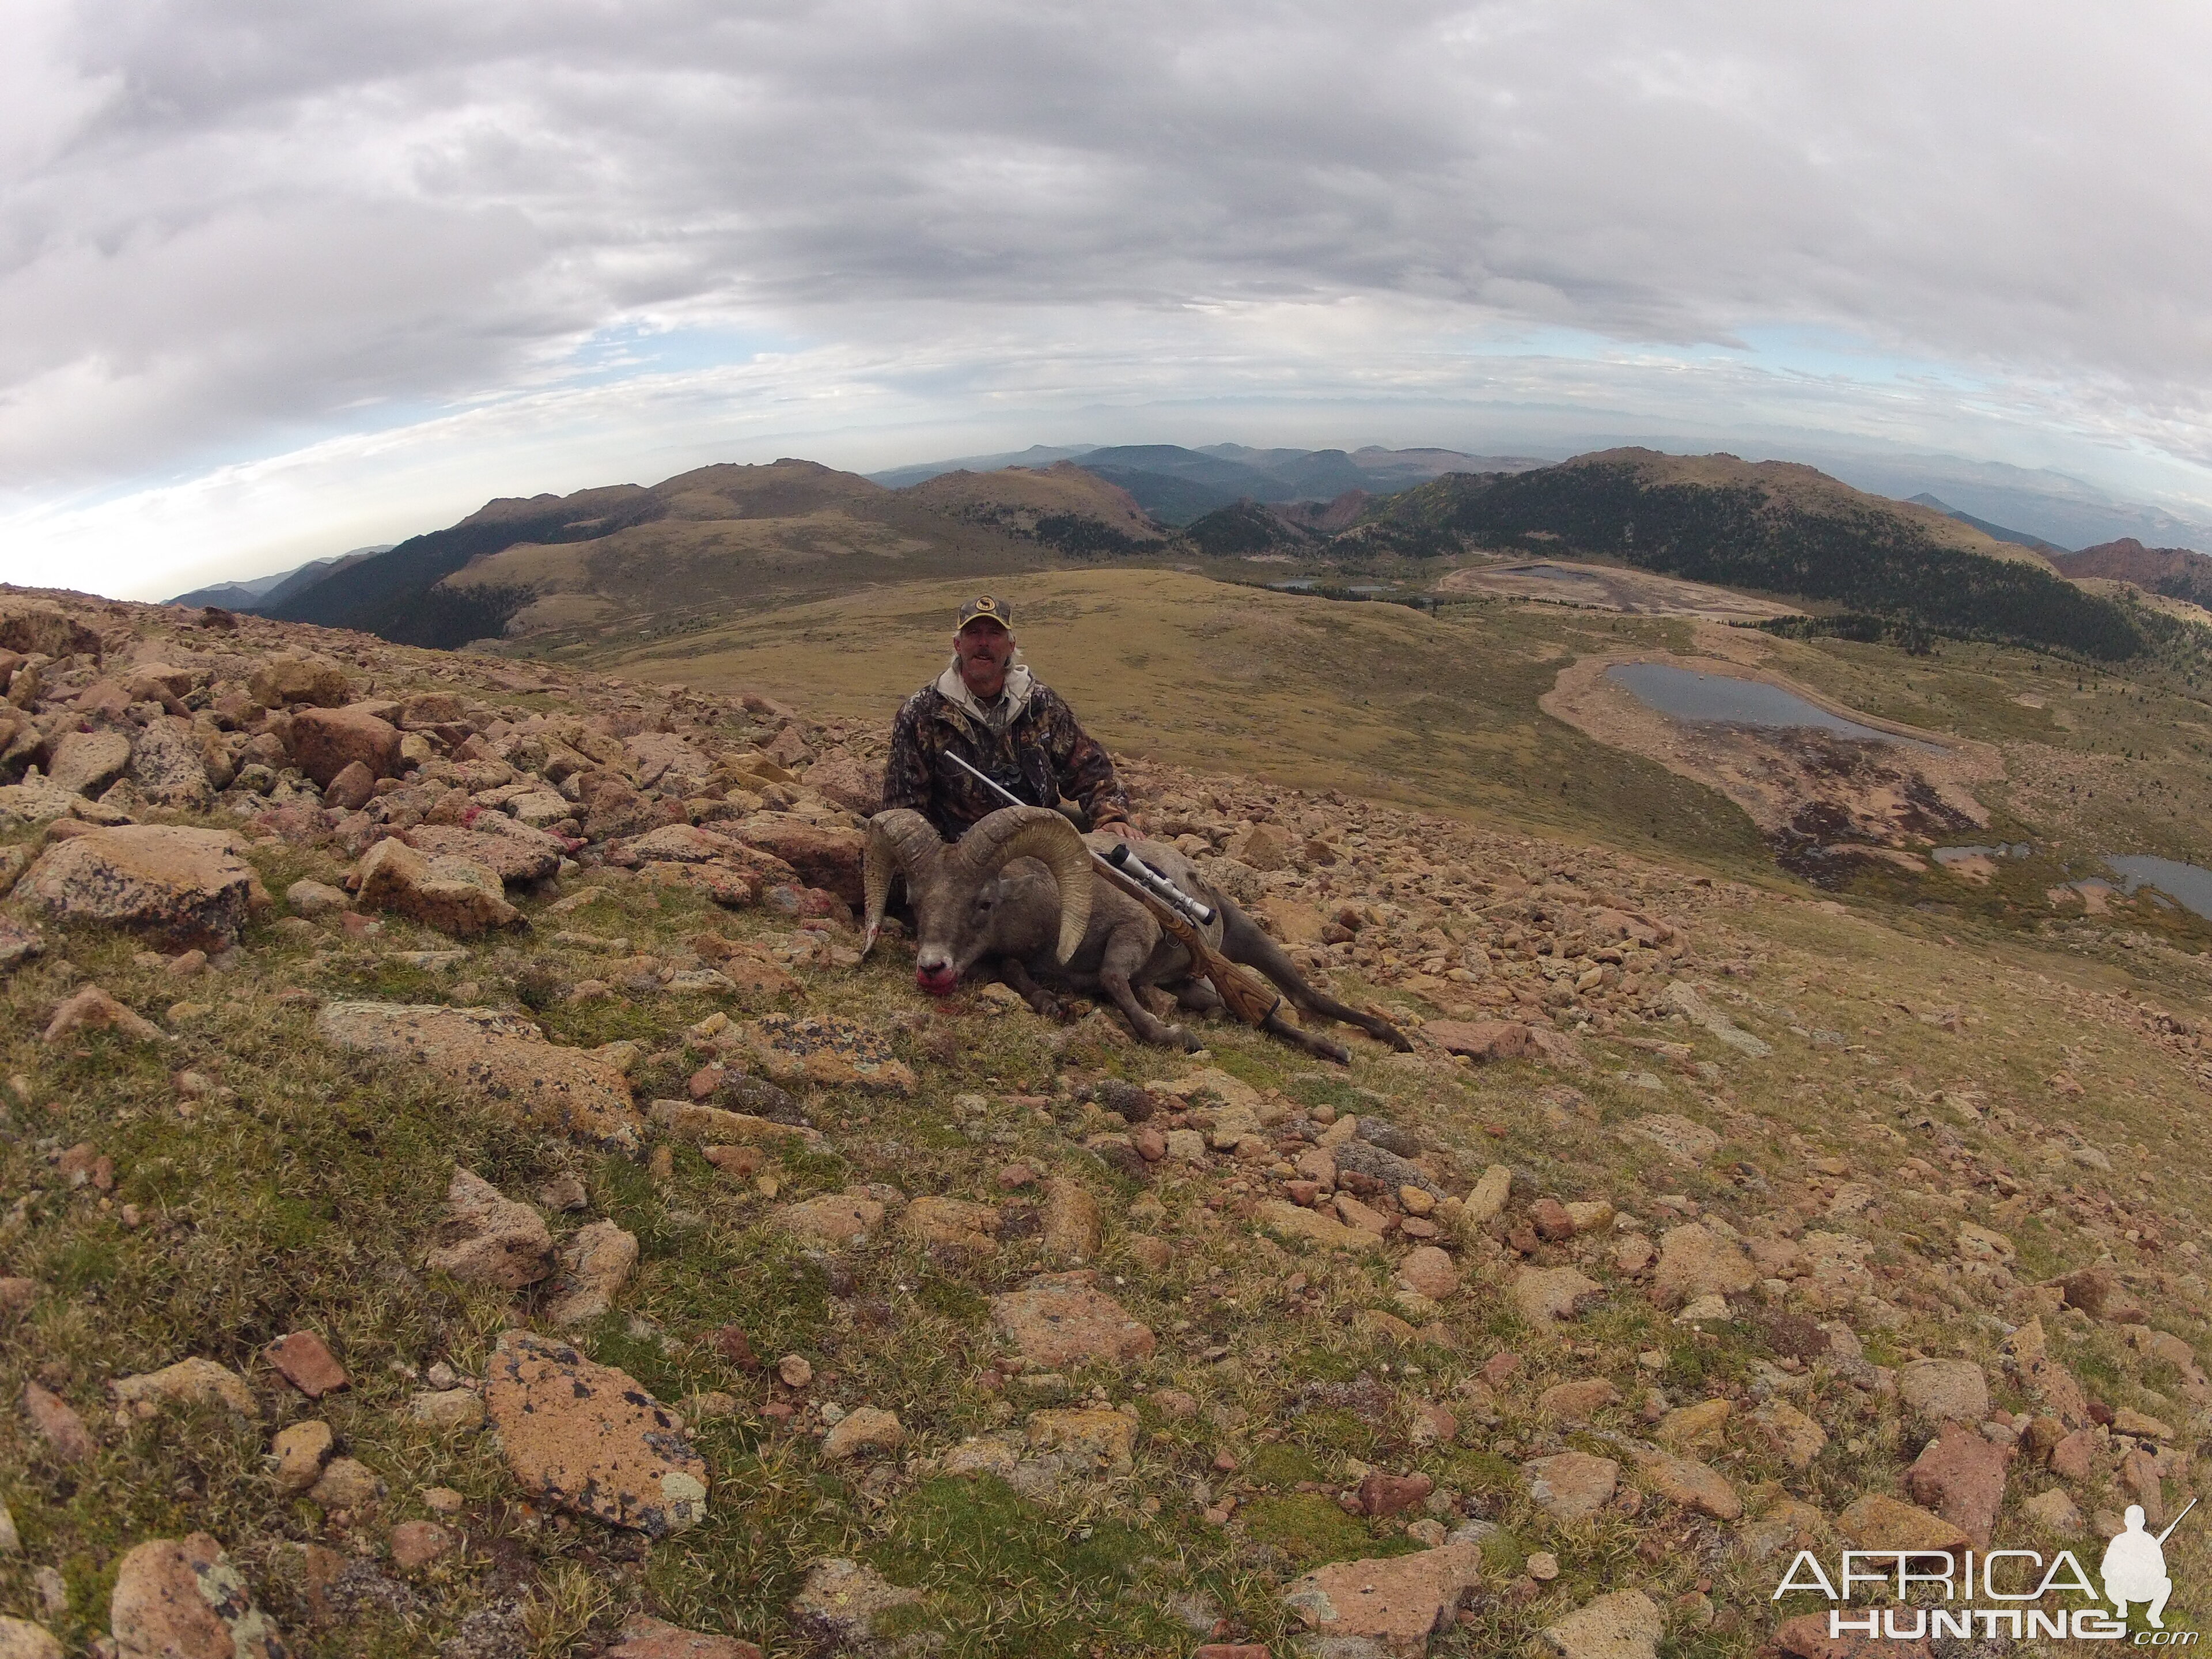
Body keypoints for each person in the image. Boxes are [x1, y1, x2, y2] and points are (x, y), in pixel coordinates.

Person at [884, 594, 1139, 844]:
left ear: (1011, 646)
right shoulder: (922, 713)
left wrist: (1111, 817)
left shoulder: (1042, 704)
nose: (984, 642)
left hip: (1037, 840)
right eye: (974, 633)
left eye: (994, 634)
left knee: (1120, 842)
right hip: (958, 851)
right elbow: (904, 808)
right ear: (958, 645)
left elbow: (1087, 769)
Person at [2101, 1505, 2173, 1628]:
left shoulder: (2119, 1541)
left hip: (2127, 1590)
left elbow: (2106, 1569)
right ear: (2143, 1522)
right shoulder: (2150, 1541)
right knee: (2166, 1583)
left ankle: (2122, 1605)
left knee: (2109, 1581)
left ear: (2126, 1522)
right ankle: (2153, 1614)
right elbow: (2162, 1571)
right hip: (2145, 1591)